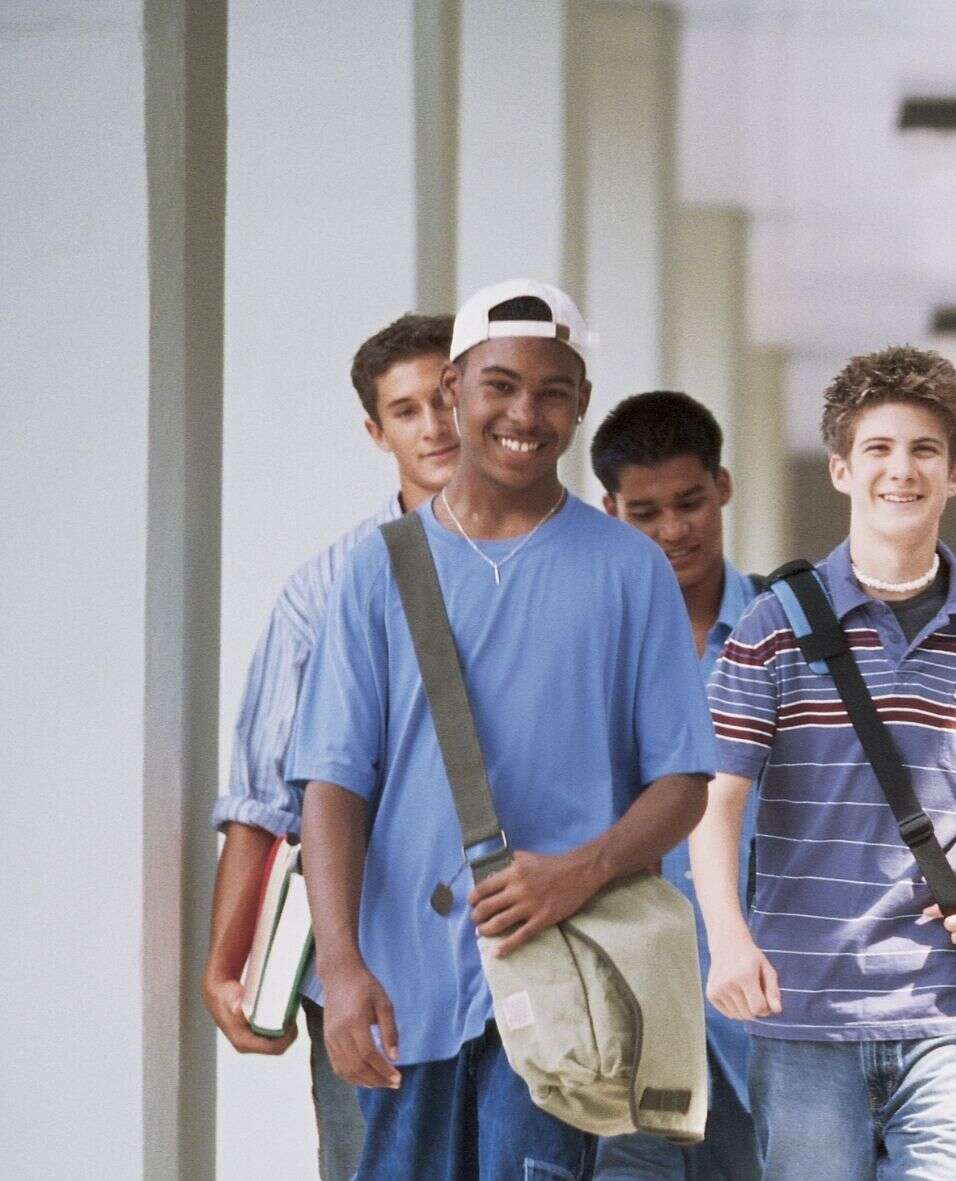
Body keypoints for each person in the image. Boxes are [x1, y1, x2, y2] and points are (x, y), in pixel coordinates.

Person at [289, 280, 717, 1180]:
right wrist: (341, 968)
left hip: (561, 989)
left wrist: (581, 871)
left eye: (553, 390)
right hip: (404, 989)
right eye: (500, 385)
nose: (526, 412)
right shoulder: (377, 569)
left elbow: (682, 782)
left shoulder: (631, 569)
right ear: (453, 388)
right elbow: (332, 782)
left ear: (582, 403)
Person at [690, 346, 956, 1180]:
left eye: (924, 450)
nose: (902, 470)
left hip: (952, 1006)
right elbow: (718, 798)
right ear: (841, 469)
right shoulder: (772, 625)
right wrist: (728, 939)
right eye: (880, 449)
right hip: (807, 1002)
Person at [200, 313, 458, 1181]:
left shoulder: (558, 563)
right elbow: (264, 794)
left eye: (449, 397)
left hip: (514, 951)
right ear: (376, 431)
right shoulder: (326, 587)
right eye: (409, 409)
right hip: (367, 962)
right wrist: (227, 962)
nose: (437, 427)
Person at [591, 390, 763, 1181]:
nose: (672, 530)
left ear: (723, 486)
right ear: (609, 510)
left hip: (762, 1008)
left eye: (690, 503)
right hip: (628, 1005)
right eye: (645, 512)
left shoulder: (787, 630)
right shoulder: (589, 643)